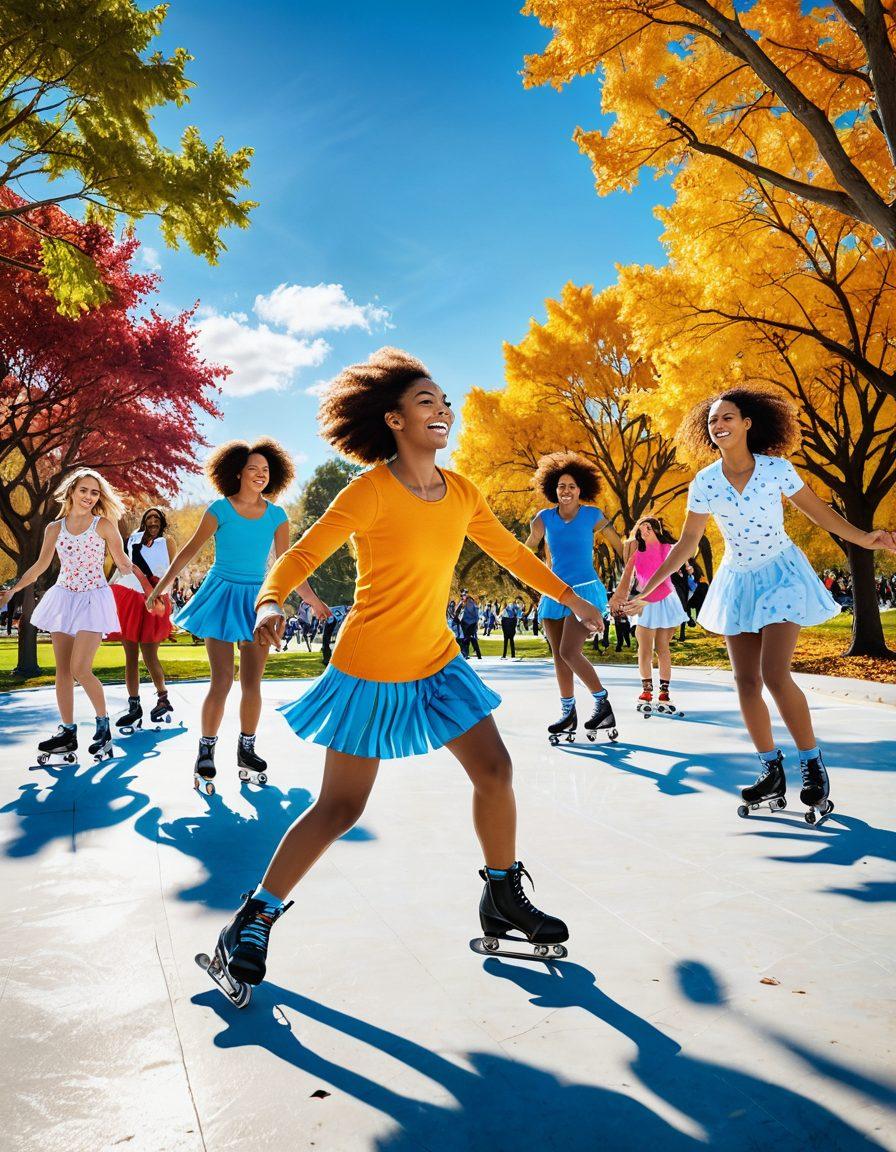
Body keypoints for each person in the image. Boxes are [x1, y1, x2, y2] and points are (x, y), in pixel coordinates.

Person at [205, 347, 604, 995]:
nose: (442, 408)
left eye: (444, 400)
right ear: (393, 420)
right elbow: (300, 555)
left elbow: (515, 560)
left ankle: (502, 893)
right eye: (427, 401)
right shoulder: (371, 491)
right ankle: (252, 920)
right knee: (338, 808)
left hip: (437, 660)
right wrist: (271, 599)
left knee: (496, 771)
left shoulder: (465, 493)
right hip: (370, 664)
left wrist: (577, 598)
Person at [625, 389, 895, 824]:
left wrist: (864, 538)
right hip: (737, 580)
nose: (719, 426)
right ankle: (771, 769)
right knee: (745, 681)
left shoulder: (777, 470)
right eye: (713, 421)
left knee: (774, 673)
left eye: (727, 417)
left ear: (747, 423)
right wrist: (646, 588)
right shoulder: (706, 482)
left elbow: (818, 513)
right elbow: (687, 545)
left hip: (781, 573)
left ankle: (811, 763)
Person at [146, 438, 328, 792]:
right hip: (221, 594)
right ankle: (206, 751)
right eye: (253, 469)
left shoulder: (277, 516)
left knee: (252, 683)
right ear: (238, 473)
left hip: (259, 600)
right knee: (222, 680)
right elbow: (187, 553)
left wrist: (312, 599)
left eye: (265, 471)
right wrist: (160, 589)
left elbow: (285, 564)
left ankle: (247, 749)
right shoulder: (220, 509)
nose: (260, 475)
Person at [0, 468, 133, 765]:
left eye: (95, 492)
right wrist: (13, 591)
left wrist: (152, 588)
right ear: (71, 491)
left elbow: (123, 561)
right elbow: (39, 566)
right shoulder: (53, 529)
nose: (88, 497)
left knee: (80, 669)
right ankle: (68, 731)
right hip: (63, 598)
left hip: (93, 599)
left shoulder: (104, 525)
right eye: (84, 490)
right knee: (63, 670)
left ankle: (103, 726)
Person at [524, 451, 625, 744]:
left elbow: (621, 549)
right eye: (560, 487)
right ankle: (568, 712)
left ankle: (602, 702)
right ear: (553, 490)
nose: (565, 491)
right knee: (558, 657)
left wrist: (631, 585)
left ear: (581, 489)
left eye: (571, 486)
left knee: (569, 652)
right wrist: (513, 553)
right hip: (553, 592)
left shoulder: (593, 516)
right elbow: (528, 550)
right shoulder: (542, 519)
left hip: (586, 590)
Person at [107, 507, 178, 733]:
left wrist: (162, 596)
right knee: (130, 656)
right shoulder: (132, 541)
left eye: (157, 518)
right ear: (144, 522)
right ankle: (134, 705)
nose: (153, 521)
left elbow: (172, 571)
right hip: (129, 597)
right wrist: (108, 589)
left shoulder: (167, 543)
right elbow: (123, 569)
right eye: (149, 517)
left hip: (154, 599)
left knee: (150, 655)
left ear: (162, 522)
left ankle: (163, 698)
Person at [611, 517, 688, 716]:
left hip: (665, 601)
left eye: (648, 527)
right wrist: (619, 599)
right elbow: (626, 580)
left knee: (663, 648)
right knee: (644, 649)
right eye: (641, 528)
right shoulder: (637, 555)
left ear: (656, 529)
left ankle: (664, 693)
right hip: (644, 604)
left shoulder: (669, 549)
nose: (644, 531)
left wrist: (645, 599)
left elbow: (664, 581)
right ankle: (646, 691)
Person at [457, 590, 482, 659]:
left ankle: (468, 654)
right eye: (461, 596)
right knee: (469, 639)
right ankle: (469, 654)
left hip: (470, 624)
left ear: (466, 596)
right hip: (468, 623)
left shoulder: (469, 602)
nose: (462, 597)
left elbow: (470, 613)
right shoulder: (466, 602)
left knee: (468, 639)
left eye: (463, 596)